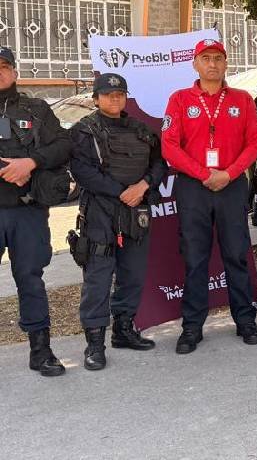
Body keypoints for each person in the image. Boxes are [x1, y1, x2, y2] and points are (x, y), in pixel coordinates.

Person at [162, 38, 257, 353]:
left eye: (218, 58)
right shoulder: (179, 99)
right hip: (194, 186)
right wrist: (204, 173)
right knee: (195, 259)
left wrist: (228, 174)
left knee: (236, 255)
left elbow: (253, 143)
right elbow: (169, 146)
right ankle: (192, 328)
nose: (212, 64)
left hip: (231, 185)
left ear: (225, 63)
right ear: (195, 64)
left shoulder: (242, 99)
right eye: (206, 58)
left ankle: (245, 320)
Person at [70, 73, 167, 370]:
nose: (115, 99)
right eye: (109, 95)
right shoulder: (83, 131)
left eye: (120, 94)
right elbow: (82, 170)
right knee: (98, 278)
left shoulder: (141, 130)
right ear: (96, 98)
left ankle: (124, 330)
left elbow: (159, 163)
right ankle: (95, 344)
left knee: (133, 273)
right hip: (100, 213)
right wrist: (120, 191)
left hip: (135, 211)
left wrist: (143, 186)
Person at [0, 46, 71, 376]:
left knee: (30, 278)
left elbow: (62, 146)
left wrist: (31, 162)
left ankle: (41, 349)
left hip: (26, 211)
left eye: (3, 66)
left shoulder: (37, 109)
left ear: (14, 72)